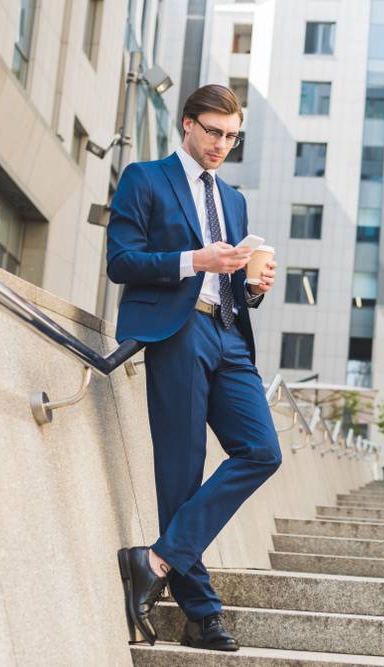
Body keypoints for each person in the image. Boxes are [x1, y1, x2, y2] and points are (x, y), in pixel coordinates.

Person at [107, 84, 280, 652]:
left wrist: (252, 286)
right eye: (213, 132)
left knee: (261, 451)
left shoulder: (233, 201)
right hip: (177, 331)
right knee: (180, 475)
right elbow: (121, 261)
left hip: (229, 333)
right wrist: (193, 260)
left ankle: (154, 560)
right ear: (187, 124)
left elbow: (231, 277)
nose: (221, 145)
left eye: (232, 137)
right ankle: (202, 616)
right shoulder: (145, 178)